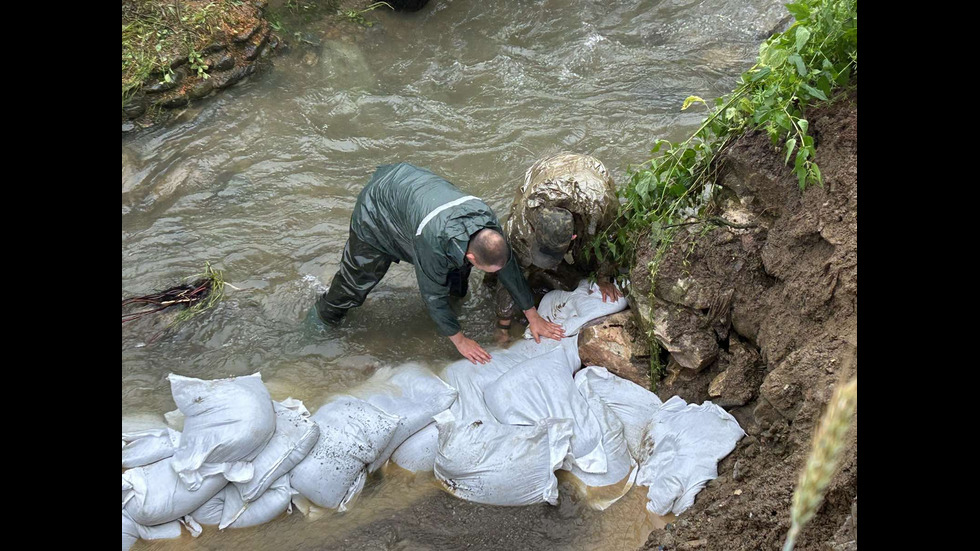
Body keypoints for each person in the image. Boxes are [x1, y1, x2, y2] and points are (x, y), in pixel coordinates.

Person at [314, 162, 564, 364]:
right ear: (472, 257)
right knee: (356, 282)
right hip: (379, 208)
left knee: (456, 284)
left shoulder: (487, 224)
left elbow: (506, 267)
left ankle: (454, 305)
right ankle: (322, 318)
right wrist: (460, 341)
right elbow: (431, 296)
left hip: (419, 197)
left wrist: (533, 315)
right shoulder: (432, 245)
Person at [484, 153, 623, 344]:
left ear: (573, 237)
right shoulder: (525, 221)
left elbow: (610, 236)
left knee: (590, 250)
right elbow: (510, 267)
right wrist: (503, 323)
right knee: (514, 259)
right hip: (545, 172)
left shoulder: (599, 208)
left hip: (589, 176)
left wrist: (604, 276)